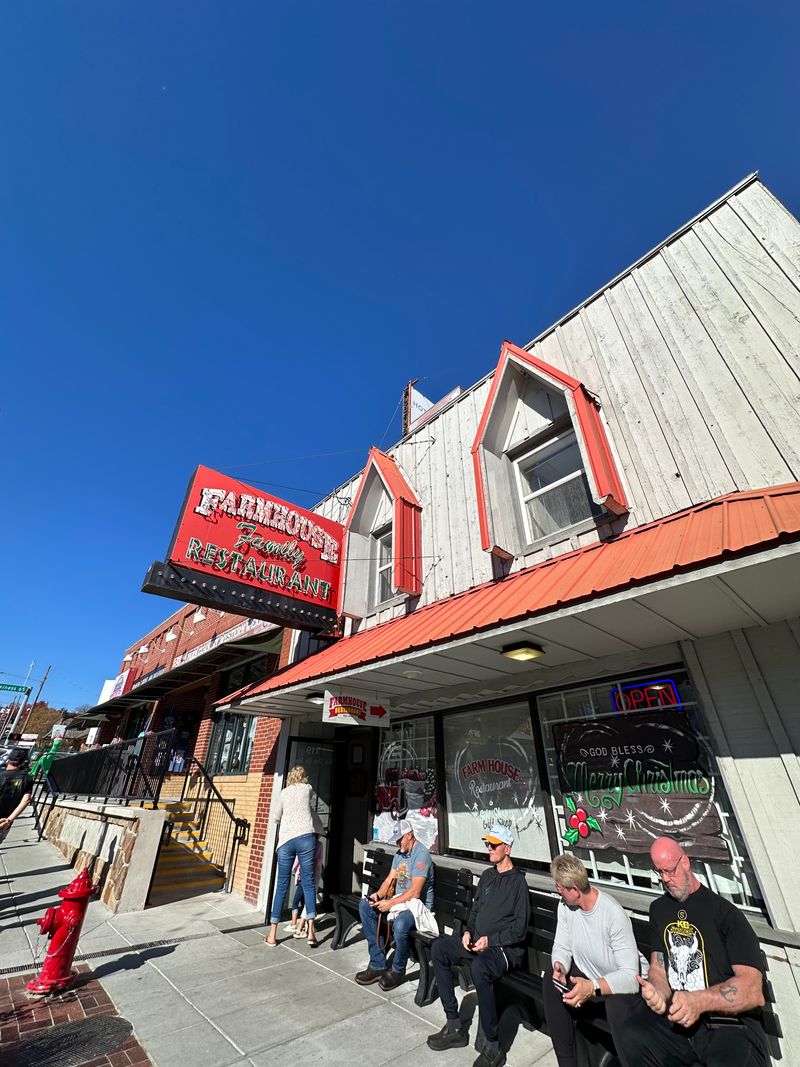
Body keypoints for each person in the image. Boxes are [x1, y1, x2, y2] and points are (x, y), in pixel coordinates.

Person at [614, 836, 768, 1067]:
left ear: (685, 862)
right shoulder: (659, 909)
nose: (665, 879)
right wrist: (658, 992)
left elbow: (753, 990)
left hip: (727, 1024)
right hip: (679, 1021)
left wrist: (698, 1002)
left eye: (670, 871)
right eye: (659, 872)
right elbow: (659, 967)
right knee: (632, 1034)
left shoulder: (725, 914)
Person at [427, 823, 529, 1067]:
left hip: (503, 949)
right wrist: (468, 932)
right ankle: (454, 1025)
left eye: (494, 845)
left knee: (480, 968)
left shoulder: (518, 883)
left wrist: (490, 941)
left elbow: (520, 929)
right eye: (488, 844)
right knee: (440, 949)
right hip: (477, 942)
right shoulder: (487, 876)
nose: (489, 848)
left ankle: (493, 1046)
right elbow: (475, 911)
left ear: (507, 848)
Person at [543, 853, 641, 1067]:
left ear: (575, 890)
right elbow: (561, 945)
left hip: (620, 991)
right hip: (589, 980)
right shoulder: (565, 906)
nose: (557, 890)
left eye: (559, 886)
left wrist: (593, 987)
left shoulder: (611, 913)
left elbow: (630, 978)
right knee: (551, 982)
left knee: (616, 1007)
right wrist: (560, 966)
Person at [356, 818, 435, 991]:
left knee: (400, 924)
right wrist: (377, 895)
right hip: (399, 902)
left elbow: (415, 892)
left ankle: (398, 969)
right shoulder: (400, 854)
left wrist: (390, 903)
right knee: (365, 907)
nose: (398, 843)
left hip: (416, 906)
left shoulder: (421, 855)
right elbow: (389, 880)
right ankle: (377, 964)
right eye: (397, 840)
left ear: (410, 835)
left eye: (400, 839)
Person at [264, 766, 322, 948]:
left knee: (282, 884)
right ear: (304, 777)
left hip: (286, 840)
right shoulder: (308, 789)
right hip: (306, 838)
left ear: (289, 777)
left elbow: (276, 816)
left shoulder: (284, 792)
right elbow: (307, 805)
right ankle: (311, 932)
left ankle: (272, 934)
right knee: (308, 882)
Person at [0, 750, 34, 844]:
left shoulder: (1, 775)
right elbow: (26, 800)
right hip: (4, 821)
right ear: (23, 763)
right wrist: (9, 820)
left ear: (8, 760)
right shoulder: (27, 778)